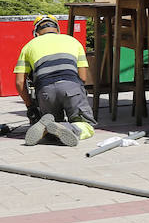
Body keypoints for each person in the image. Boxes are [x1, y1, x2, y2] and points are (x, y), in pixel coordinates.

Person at [15, 16, 96, 147]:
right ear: (57, 30)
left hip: (45, 91)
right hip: (71, 86)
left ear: (36, 33)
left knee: (52, 120)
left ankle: (47, 129)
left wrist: (30, 106)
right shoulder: (74, 41)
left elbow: (19, 82)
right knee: (86, 125)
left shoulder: (28, 47)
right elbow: (83, 77)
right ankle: (70, 129)